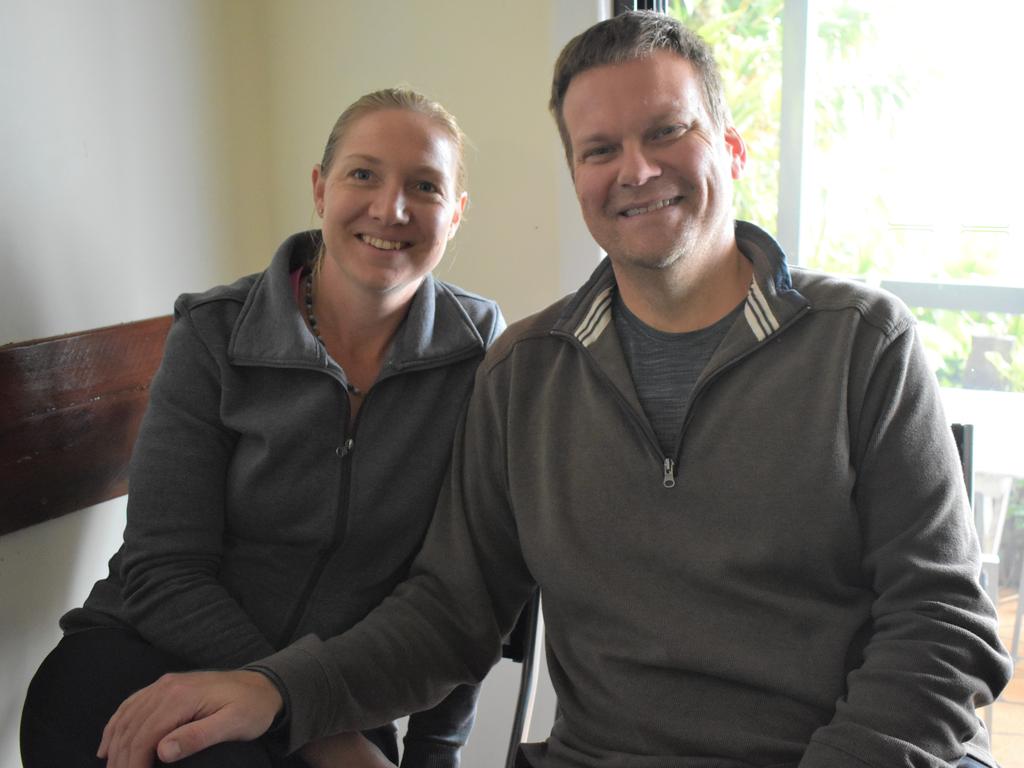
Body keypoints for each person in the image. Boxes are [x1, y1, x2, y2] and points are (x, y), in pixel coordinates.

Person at [92, 12, 1014, 768]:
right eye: (599, 148)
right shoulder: (525, 371)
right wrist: (282, 690)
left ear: (729, 145)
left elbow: (941, 626)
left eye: (667, 132)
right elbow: (450, 615)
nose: (636, 170)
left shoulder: (861, 341)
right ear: (576, 176)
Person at [19, 87, 504, 768]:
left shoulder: (483, 356)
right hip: (140, 660)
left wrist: (434, 753)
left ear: (455, 216)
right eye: (362, 173)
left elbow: (460, 592)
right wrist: (310, 720)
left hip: (341, 698)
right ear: (320, 189)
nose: (389, 208)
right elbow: (163, 571)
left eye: (424, 186)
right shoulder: (216, 333)